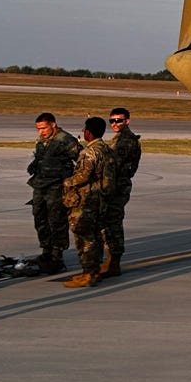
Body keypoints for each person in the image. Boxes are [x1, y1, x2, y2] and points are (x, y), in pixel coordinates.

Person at [60, 116, 113, 288]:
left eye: (85, 130)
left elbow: (83, 176)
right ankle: (93, 271)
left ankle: (88, 273)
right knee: (96, 235)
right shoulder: (106, 149)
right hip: (100, 197)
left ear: (89, 132)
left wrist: (66, 182)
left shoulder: (89, 152)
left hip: (87, 199)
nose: (83, 133)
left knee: (84, 236)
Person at [27, 112, 78, 274]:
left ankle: (57, 254)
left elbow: (81, 159)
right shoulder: (42, 140)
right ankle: (46, 251)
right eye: (38, 129)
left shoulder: (66, 140)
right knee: (39, 217)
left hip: (56, 187)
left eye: (44, 128)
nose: (41, 131)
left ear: (53, 125)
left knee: (57, 220)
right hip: (40, 185)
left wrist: (71, 182)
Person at [100, 106, 142, 278]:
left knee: (113, 223)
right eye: (112, 121)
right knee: (111, 223)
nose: (115, 124)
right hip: (117, 185)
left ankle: (113, 262)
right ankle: (111, 261)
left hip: (117, 187)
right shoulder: (121, 139)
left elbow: (113, 165)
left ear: (127, 121)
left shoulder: (125, 141)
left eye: (119, 120)